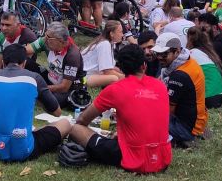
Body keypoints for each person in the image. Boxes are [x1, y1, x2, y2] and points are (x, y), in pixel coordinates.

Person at [68, 44, 172, 173]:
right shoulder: (160, 85)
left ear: (121, 69)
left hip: (133, 157)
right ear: (144, 65)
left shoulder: (116, 89)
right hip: (162, 157)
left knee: (76, 129)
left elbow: (83, 119)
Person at [0, 44, 71, 162]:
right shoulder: (34, 78)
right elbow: (57, 112)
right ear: (24, 63)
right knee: (65, 124)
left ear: (3, 62)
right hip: (23, 149)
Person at [154, 32, 207, 146]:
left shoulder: (179, 75)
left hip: (187, 129)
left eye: (163, 54)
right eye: (157, 53)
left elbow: (168, 110)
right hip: (197, 122)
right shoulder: (187, 61)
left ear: (177, 51)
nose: (159, 58)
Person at [27, 23, 84, 109]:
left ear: (61, 41)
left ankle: (36, 95)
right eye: (45, 35)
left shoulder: (72, 55)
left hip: (67, 88)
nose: (45, 39)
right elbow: (24, 51)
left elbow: (64, 87)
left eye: (48, 37)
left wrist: (42, 89)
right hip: (51, 78)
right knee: (26, 62)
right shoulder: (46, 42)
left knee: (53, 102)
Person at [185, 26, 222, 109]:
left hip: (206, 99)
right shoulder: (209, 53)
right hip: (219, 97)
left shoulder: (191, 53)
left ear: (189, 39)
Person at [197, 13, 222, 94]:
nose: (202, 31)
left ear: (214, 27)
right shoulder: (217, 37)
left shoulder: (220, 43)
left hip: (220, 85)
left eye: (204, 28)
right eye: (200, 28)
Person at [81, 21, 124, 88]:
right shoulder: (105, 44)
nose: (122, 35)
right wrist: (126, 77)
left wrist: (124, 72)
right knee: (114, 78)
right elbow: (108, 72)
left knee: (117, 75)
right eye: (120, 32)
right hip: (84, 77)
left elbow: (111, 67)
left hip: (91, 74)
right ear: (112, 34)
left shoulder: (109, 43)